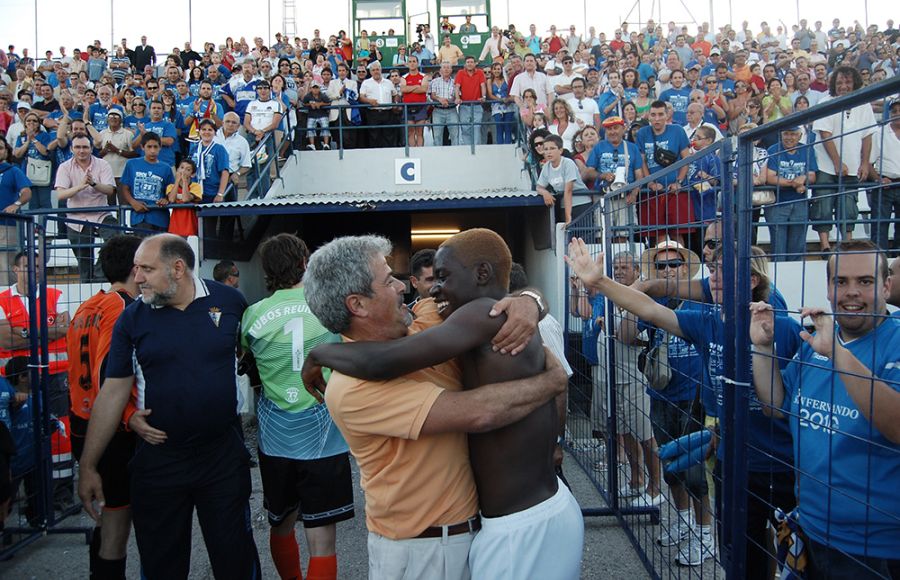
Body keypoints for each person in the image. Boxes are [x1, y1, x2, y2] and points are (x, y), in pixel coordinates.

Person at [300, 233, 578, 580]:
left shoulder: (428, 319)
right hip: (418, 553)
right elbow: (481, 411)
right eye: (389, 281)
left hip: (476, 534)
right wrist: (552, 382)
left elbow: (495, 291)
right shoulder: (349, 389)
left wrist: (530, 301)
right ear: (357, 304)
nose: (409, 287)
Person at [568, 238, 801, 580]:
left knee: (797, 560)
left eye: (727, 271)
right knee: (740, 555)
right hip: (733, 464)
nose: (716, 278)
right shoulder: (707, 323)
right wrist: (599, 282)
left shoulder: (781, 325)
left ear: (752, 280)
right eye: (714, 270)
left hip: (783, 463)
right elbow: (650, 310)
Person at [77, 234, 262, 579]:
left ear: (178, 268)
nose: (138, 278)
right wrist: (88, 465)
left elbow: (253, 356)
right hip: (159, 461)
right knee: (162, 566)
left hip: (221, 457)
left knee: (235, 559)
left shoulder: (231, 301)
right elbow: (113, 392)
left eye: (146, 269)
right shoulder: (132, 319)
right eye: (136, 269)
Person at [750, 240, 900, 578]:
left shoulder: (894, 340)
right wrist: (762, 348)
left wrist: (837, 353)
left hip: (872, 548)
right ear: (829, 288)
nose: (851, 293)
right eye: (841, 282)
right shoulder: (815, 342)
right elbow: (776, 405)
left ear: (886, 286)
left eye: (865, 281)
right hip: (811, 527)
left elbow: (897, 426)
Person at [240, 234, 354, 580]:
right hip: (325, 434)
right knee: (322, 541)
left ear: (266, 271)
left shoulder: (252, 314)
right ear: (306, 263)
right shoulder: (327, 309)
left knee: (281, 526)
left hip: (276, 439)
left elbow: (247, 359)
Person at [621, 241, 713, 566]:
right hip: (661, 394)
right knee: (672, 468)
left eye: (674, 264)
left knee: (695, 474)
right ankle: (684, 520)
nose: (668, 270)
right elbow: (625, 335)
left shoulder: (703, 301)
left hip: (696, 396)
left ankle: (705, 534)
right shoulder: (655, 300)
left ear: (687, 267)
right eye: (661, 266)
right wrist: (633, 302)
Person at [66, 235, 142, 580]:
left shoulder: (87, 306)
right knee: (116, 523)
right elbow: (105, 376)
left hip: (81, 423)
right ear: (135, 267)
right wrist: (127, 416)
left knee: (112, 517)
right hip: (110, 429)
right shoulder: (122, 307)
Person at [0, 250, 73, 510]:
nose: (37, 270)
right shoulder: (1, 298)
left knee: (58, 431)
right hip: (16, 382)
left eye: (41, 266)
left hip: (54, 376)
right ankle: (17, 495)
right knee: (16, 433)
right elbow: (5, 339)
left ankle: (60, 494)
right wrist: (46, 331)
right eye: (30, 266)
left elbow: (66, 328)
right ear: (15, 269)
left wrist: (25, 331)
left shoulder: (57, 295)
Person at [811, 66, 876, 253]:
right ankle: (825, 245)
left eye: (847, 82)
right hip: (826, 166)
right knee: (822, 204)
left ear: (854, 82)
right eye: (839, 82)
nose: (843, 86)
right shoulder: (826, 101)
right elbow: (825, 134)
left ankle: (847, 244)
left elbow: (867, 135)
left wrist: (865, 163)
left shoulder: (863, 105)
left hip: (853, 166)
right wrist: (837, 161)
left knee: (849, 205)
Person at [54, 134, 118, 282]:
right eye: (77, 147)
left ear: (91, 149)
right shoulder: (64, 167)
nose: (81, 150)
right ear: (71, 149)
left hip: (101, 213)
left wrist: (93, 183)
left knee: (114, 239)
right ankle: (88, 284)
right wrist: (81, 186)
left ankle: (99, 274)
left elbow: (110, 190)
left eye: (85, 147)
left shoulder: (103, 164)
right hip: (76, 218)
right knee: (83, 262)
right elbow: (60, 195)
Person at [635, 100, 693, 245]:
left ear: (667, 115)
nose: (657, 118)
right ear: (648, 116)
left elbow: (686, 159)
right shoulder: (642, 133)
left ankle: (681, 265)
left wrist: (678, 181)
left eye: (661, 114)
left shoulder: (678, 130)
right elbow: (641, 161)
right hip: (652, 193)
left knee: (678, 234)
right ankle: (658, 267)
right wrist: (650, 182)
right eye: (653, 115)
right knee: (656, 236)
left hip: (675, 191)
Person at [764, 125, 817, 261]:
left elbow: (812, 176)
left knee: (798, 245)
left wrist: (803, 178)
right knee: (778, 247)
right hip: (778, 203)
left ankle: (795, 277)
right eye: (786, 134)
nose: (789, 138)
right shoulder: (773, 150)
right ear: (781, 135)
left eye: (793, 134)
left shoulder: (806, 150)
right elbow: (770, 177)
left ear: (799, 136)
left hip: (800, 202)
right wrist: (795, 183)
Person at [119, 132, 174, 234]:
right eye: (149, 147)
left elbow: (171, 191)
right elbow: (125, 187)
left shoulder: (166, 168)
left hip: (160, 218)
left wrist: (166, 199)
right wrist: (133, 202)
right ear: (142, 147)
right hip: (139, 217)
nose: (152, 151)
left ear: (160, 147)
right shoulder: (131, 164)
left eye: (155, 147)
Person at [536, 134, 590, 224]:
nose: (549, 152)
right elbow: (539, 186)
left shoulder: (568, 163)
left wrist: (568, 217)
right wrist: (545, 193)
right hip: (564, 206)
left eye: (552, 148)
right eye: (546, 149)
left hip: (581, 205)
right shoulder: (546, 167)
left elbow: (568, 190)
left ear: (560, 150)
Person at [869, 99, 900, 252]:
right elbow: (868, 162)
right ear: (889, 113)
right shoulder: (879, 133)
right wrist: (878, 179)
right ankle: (879, 259)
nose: (898, 114)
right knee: (880, 225)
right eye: (894, 111)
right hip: (884, 184)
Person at [0, 136, 31, 286]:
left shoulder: (13, 170)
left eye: (0, 148)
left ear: (6, 151)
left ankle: (8, 300)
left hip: (7, 225)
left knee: (7, 264)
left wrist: (16, 204)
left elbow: (26, 192)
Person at [358, 62, 397, 149]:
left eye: (377, 69)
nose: (376, 72)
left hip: (388, 113)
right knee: (374, 137)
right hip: (373, 113)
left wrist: (395, 104)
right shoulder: (366, 83)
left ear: (381, 70)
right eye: (373, 70)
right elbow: (361, 97)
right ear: (370, 72)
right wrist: (369, 101)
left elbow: (395, 94)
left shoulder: (389, 82)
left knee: (389, 137)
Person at [164, 159, 202, 237]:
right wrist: (177, 181)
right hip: (175, 227)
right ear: (177, 169)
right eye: (181, 168)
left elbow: (185, 199)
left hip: (190, 227)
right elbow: (171, 199)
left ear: (192, 174)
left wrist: (184, 181)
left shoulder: (196, 186)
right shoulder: (171, 186)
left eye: (188, 169)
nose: (183, 171)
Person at [455, 56, 487, 146]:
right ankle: (467, 147)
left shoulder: (480, 72)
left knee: (477, 127)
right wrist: (457, 98)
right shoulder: (460, 73)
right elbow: (457, 86)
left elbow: (483, 85)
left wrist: (483, 96)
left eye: (471, 62)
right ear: (465, 64)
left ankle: (476, 148)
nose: (469, 64)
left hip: (477, 105)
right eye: (468, 62)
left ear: (475, 63)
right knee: (465, 128)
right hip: (464, 105)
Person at [428, 61, 458, 147]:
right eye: (444, 67)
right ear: (440, 70)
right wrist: (440, 99)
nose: (446, 69)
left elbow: (456, 96)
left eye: (448, 67)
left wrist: (447, 101)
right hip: (438, 110)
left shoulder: (455, 82)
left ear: (451, 70)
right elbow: (433, 95)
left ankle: (456, 153)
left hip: (452, 110)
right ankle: (438, 156)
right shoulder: (434, 81)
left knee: (454, 135)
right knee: (437, 136)